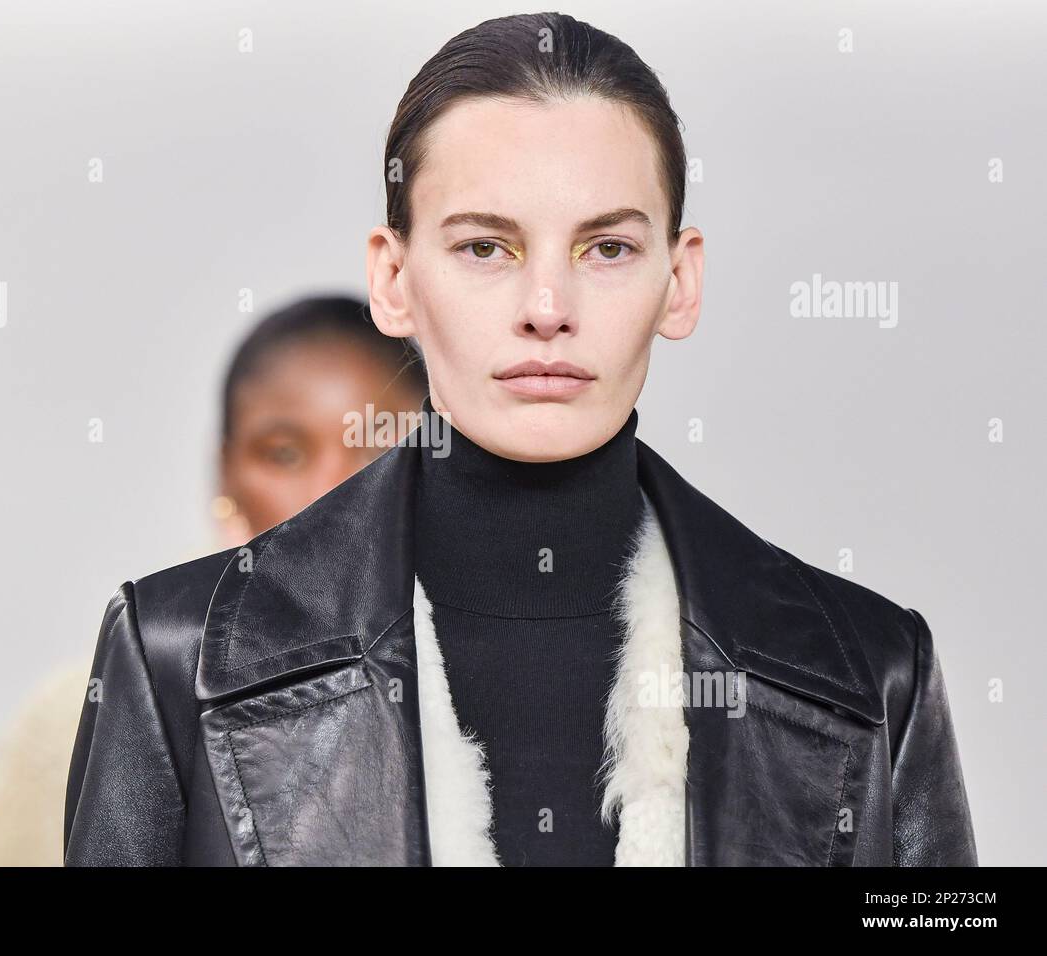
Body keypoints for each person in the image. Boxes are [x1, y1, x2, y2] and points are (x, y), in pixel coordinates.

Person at [64, 13, 977, 867]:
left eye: (607, 249)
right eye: (485, 249)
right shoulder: (178, 656)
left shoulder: (870, 670)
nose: (548, 311)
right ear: (394, 280)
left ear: (681, 280)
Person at [0, 295, 426, 865]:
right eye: (284, 453)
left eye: (377, 446)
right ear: (224, 474)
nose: (330, 489)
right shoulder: (87, 711)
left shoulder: (482, 672)